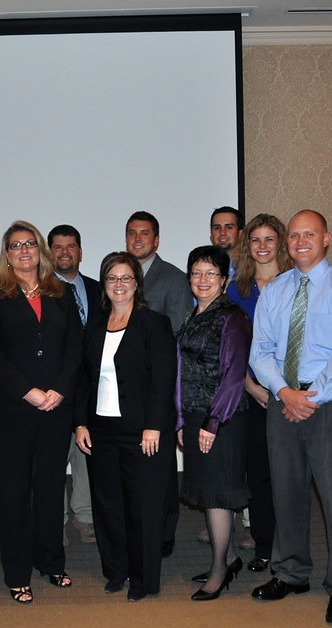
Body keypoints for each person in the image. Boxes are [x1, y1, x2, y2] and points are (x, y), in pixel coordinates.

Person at [248, 210, 332, 625]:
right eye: (295, 235)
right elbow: (260, 351)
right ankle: (291, 572)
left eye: (310, 234)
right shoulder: (275, 291)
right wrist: (284, 393)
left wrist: (309, 397)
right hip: (282, 399)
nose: (301, 242)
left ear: (326, 239)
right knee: (286, 490)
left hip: (330, 402)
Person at [0, 221, 82, 603]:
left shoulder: (62, 292)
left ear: (41, 250)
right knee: (15, 492)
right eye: (15, 245)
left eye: (30, 243)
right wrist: (28, 392)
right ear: (6, 255)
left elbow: (75, 347)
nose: (24, 250)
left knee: (52, 487)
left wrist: (60, 389)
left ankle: (51, 562)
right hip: (13, 410)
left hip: (56, 407)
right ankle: (17, 572)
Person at [75, 252, 175, 602]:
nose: (119, 284)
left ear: (137, 283)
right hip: (100, 431)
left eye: (126, 278)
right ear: (104, 284)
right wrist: (80, 422)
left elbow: (163, 378)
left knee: (142, 507)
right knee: (108, 505)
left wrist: (154, 426)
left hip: (141, 432)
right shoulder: (95, 326)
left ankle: (143, 579)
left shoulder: (154, 323)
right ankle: (116, 571)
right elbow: (83, 379)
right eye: (112, 278)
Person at [176, 246, 252, 601]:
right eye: (196, 273)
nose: (202, 279)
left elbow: (234, 375)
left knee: (219, 495)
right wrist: (181, 419)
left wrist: (213, 422)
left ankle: (220, 569)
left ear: (224, 280)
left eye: (210, 273)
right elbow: (182, 371)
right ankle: (230, 557)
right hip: (195, 416)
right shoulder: (193, 314)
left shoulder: (232, 316)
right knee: (209, 492)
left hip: (222, 419)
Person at [224, 213, 293, 574]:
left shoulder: (297, 283)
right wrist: (250, 385)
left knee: (291, 475)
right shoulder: (237, 290)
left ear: (280, 243)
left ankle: (291, 547)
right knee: (260, 474)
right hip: (251, 395)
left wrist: (286, 389)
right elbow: (231, 347)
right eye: (255, 240)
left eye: (269, 239)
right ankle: (265, 547)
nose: (262, 246)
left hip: (293, 394)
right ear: (246, 246)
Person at [124, 210, 188, 557]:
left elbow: (178, 338)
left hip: (159, 391)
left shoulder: (174, 279)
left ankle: (164, 533)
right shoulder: (119, 278)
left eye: (144, 233)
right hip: (125, 394)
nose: (137, 239)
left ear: (157, 240)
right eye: (132, 233)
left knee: (161, 468)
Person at [49, 223, 104, 546]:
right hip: (54, 389)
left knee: (87, 455)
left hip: (93, 389)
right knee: (55, 456)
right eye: (57, 247)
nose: (64, 252)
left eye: (70, 246)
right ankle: (55, 520)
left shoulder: (99, 289)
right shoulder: (40, 292)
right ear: (49, 253)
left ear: (80, 252)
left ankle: (85, 516)